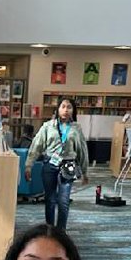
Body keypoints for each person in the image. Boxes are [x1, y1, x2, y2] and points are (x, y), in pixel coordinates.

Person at [25, 97, 89, 230]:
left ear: (73, 110)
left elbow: (82, 149)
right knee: (50, 200)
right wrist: (28, 165)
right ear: (58, 109)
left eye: (69, 107)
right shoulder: (48, 126)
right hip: (50, 165)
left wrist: (84, 171)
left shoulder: (76, 128)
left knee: (63, 201)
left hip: (68, 166)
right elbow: (36, 145)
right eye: (63, 106)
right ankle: (50, 230)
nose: (66, 110)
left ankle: (61, 233)